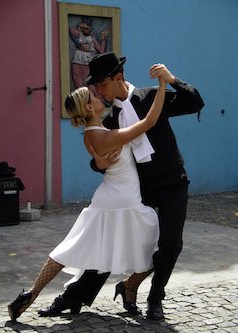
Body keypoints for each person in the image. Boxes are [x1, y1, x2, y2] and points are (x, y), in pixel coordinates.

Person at [39, 52, 204, 320]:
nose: (99, 91)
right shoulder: (110, 118)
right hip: (140, 191)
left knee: (171, 244)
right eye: (95, 88)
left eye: (101, 84)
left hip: (173, 182)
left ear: (118, 78)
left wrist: (171, 79)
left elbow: (195, 102)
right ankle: (72, 297)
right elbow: (101, 153)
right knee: (111, 246)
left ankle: (154, 298)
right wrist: (99, 163)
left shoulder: (151, 96)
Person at [7, 69, 166, 321]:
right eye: (92, 97)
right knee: (160, 247)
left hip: (109, 200)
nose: (98, 97)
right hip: (123, 202)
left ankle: (30, 294)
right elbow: (148, 123)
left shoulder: (91, 135)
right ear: (89, 109)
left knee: (71, 249)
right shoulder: (105, 135)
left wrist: (101, 163)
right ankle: (127, 285)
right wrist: (162, 85)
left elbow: (102, 160)